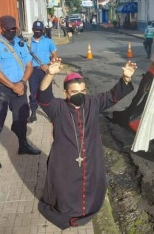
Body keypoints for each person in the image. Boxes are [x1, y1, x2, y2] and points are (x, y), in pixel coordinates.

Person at [36, 60, 137, 230]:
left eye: (83, 91)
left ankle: (87, 208)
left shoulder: (93, 102)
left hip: (90, 153)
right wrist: (50, 74)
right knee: (65, 186)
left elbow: (113, 96)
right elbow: (43, 96)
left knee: (90, 182)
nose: (80, 95)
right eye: (74, 92)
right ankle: (68, 210)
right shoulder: (57, 107)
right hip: (65, 157)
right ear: (65, 93)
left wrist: (125, 79)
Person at [0, 15, 41, 169]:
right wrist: (13, 85)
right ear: (2, 28)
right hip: (2, 88)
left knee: (21, 118)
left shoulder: (20, 43)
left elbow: (29, 66)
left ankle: (23, 145)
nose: (12, 31)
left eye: (14, 28)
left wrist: (22, 83)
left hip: (20, 87)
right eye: (9, 29)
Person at [27, 21, 58, 123]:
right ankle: (33, 112)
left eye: (40, 30)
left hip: (45, 71)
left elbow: (54, 55)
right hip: (33, 71)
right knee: (33, 92)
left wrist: (49, 65)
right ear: (32, 30)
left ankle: (51, 113)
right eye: (36, 30)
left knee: (47, 92)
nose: (38, 32)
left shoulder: (48, 41)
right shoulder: (28, 43)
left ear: (43, 30)